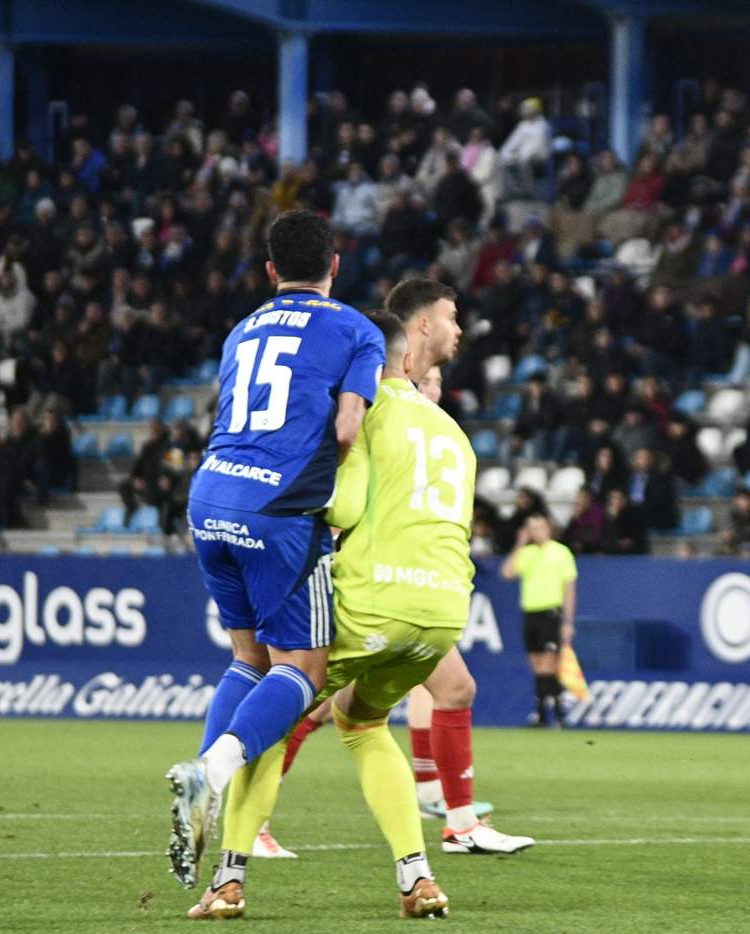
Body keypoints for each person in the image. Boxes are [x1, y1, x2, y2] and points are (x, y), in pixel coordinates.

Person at [254, 280, 528, 860]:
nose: (460, 330)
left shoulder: (427, 414)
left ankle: (456, 823)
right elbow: (341, 485)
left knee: (452, 688)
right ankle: (244, 810)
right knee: (310, 703)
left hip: (408, 588)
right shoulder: (371, 392)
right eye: (452, 317)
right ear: (420, 328)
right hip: (364, 581)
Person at [164, 210, 385, 893]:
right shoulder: (356, 330)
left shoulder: (241, 329)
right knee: (304, 668)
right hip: (279, 509)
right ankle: (213, 772)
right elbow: (348, 428)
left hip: (209, 497)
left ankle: (205, 784)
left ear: (269, 271)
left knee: (247, 657)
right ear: (336, 265)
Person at [502, 512, 578, 727]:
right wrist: (519, 543)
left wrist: (568, 621)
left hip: (551, 612)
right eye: (532, 528)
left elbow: (569, 589)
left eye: (540, 527)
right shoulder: (526, 553)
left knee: (551, 663)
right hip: (531, 613)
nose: (536, 531)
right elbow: (507, 573)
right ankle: (542, 714)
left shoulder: (561, 552)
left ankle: (559, 713)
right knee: (536, 664)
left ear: (549, 528)